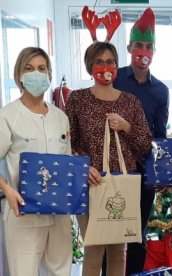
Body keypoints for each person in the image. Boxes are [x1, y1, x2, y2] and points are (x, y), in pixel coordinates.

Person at [65, 41, 152, 276]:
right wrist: (83, 167)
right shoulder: (77, 100)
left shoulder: (130, 102)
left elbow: (145, 145)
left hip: (121, 187)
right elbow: (66, 142)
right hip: (89, 184)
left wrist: (127, 127)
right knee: (93, 252)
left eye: (111, 62)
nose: (106, 66)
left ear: (117, 65)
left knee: (117, 253)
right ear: (89, 66)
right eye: (99, 62)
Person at [0, 47, 72, 275]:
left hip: (59, 214)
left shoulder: (60, 118)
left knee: (60, 271)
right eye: (29, 69)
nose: (36, 74)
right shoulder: (8, 115)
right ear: (19, 75)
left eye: (42, 69)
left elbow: (67, 162)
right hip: (23, 214)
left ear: (50, 75)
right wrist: (7, 190)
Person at [112, 7, 170, 274]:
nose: (143, 51)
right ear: (128, 47)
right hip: (112, 168)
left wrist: (164, 172)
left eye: (148, 46)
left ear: (154, 52)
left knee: (138, 233)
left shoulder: (161, 90)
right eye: (138, 45)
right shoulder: (114, 80)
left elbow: (159, 135)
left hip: (144, 172)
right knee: (109, 232)